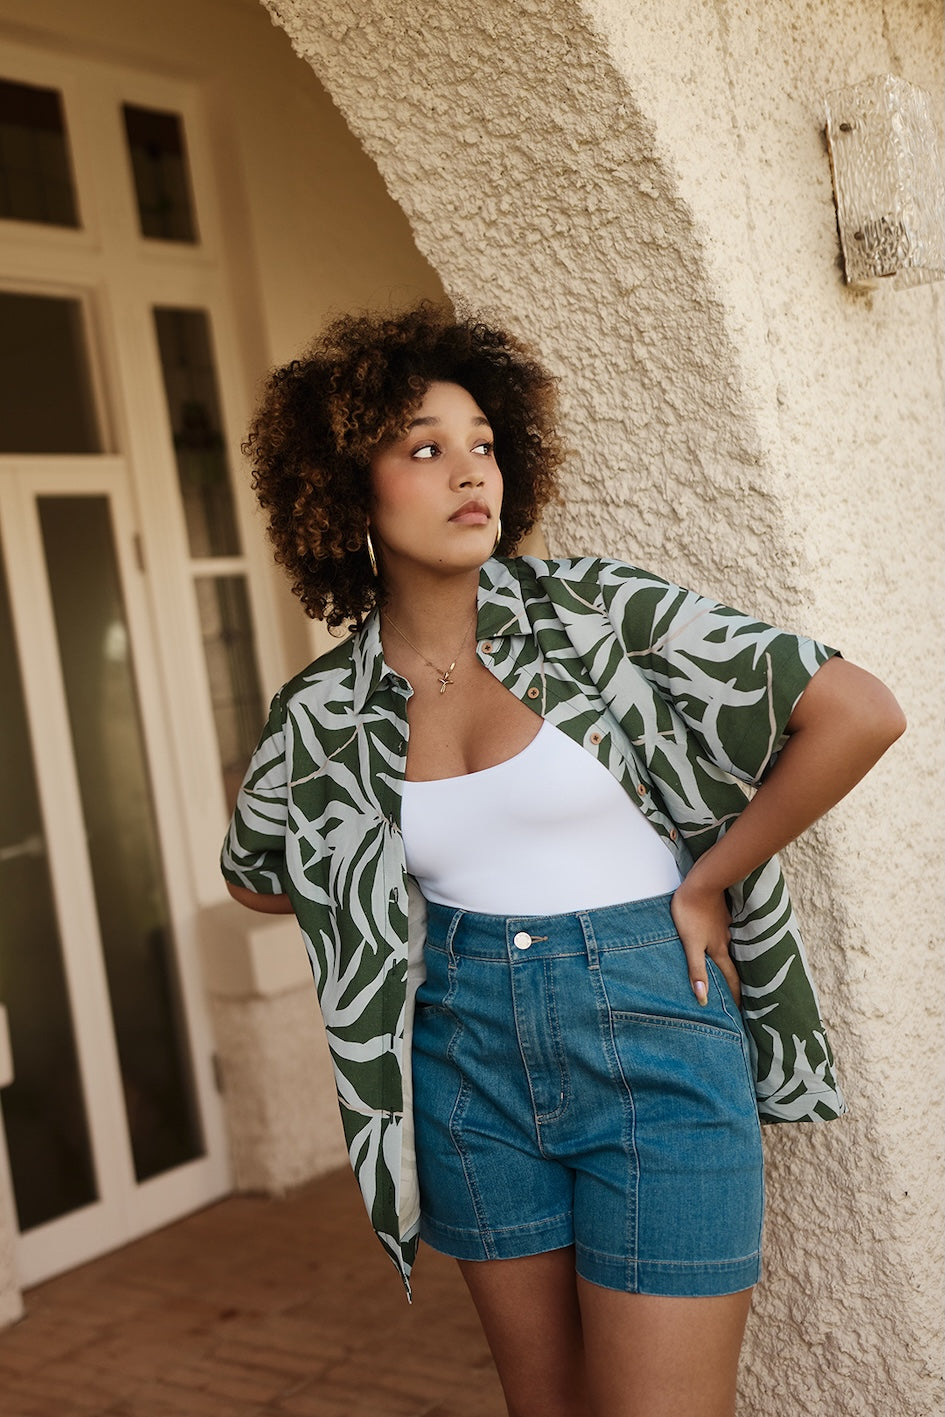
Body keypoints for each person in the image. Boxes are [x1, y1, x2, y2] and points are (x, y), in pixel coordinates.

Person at [221, 303, 904, 1417]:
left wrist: (706, 877)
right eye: (425, 448)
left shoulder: (597, 614)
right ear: (347, 486)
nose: (468, 473)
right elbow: (255, 870)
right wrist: (366, 903)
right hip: (465, 1058)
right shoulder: (320, 712)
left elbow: (859, 713)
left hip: (655, 1031)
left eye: (483, 444)